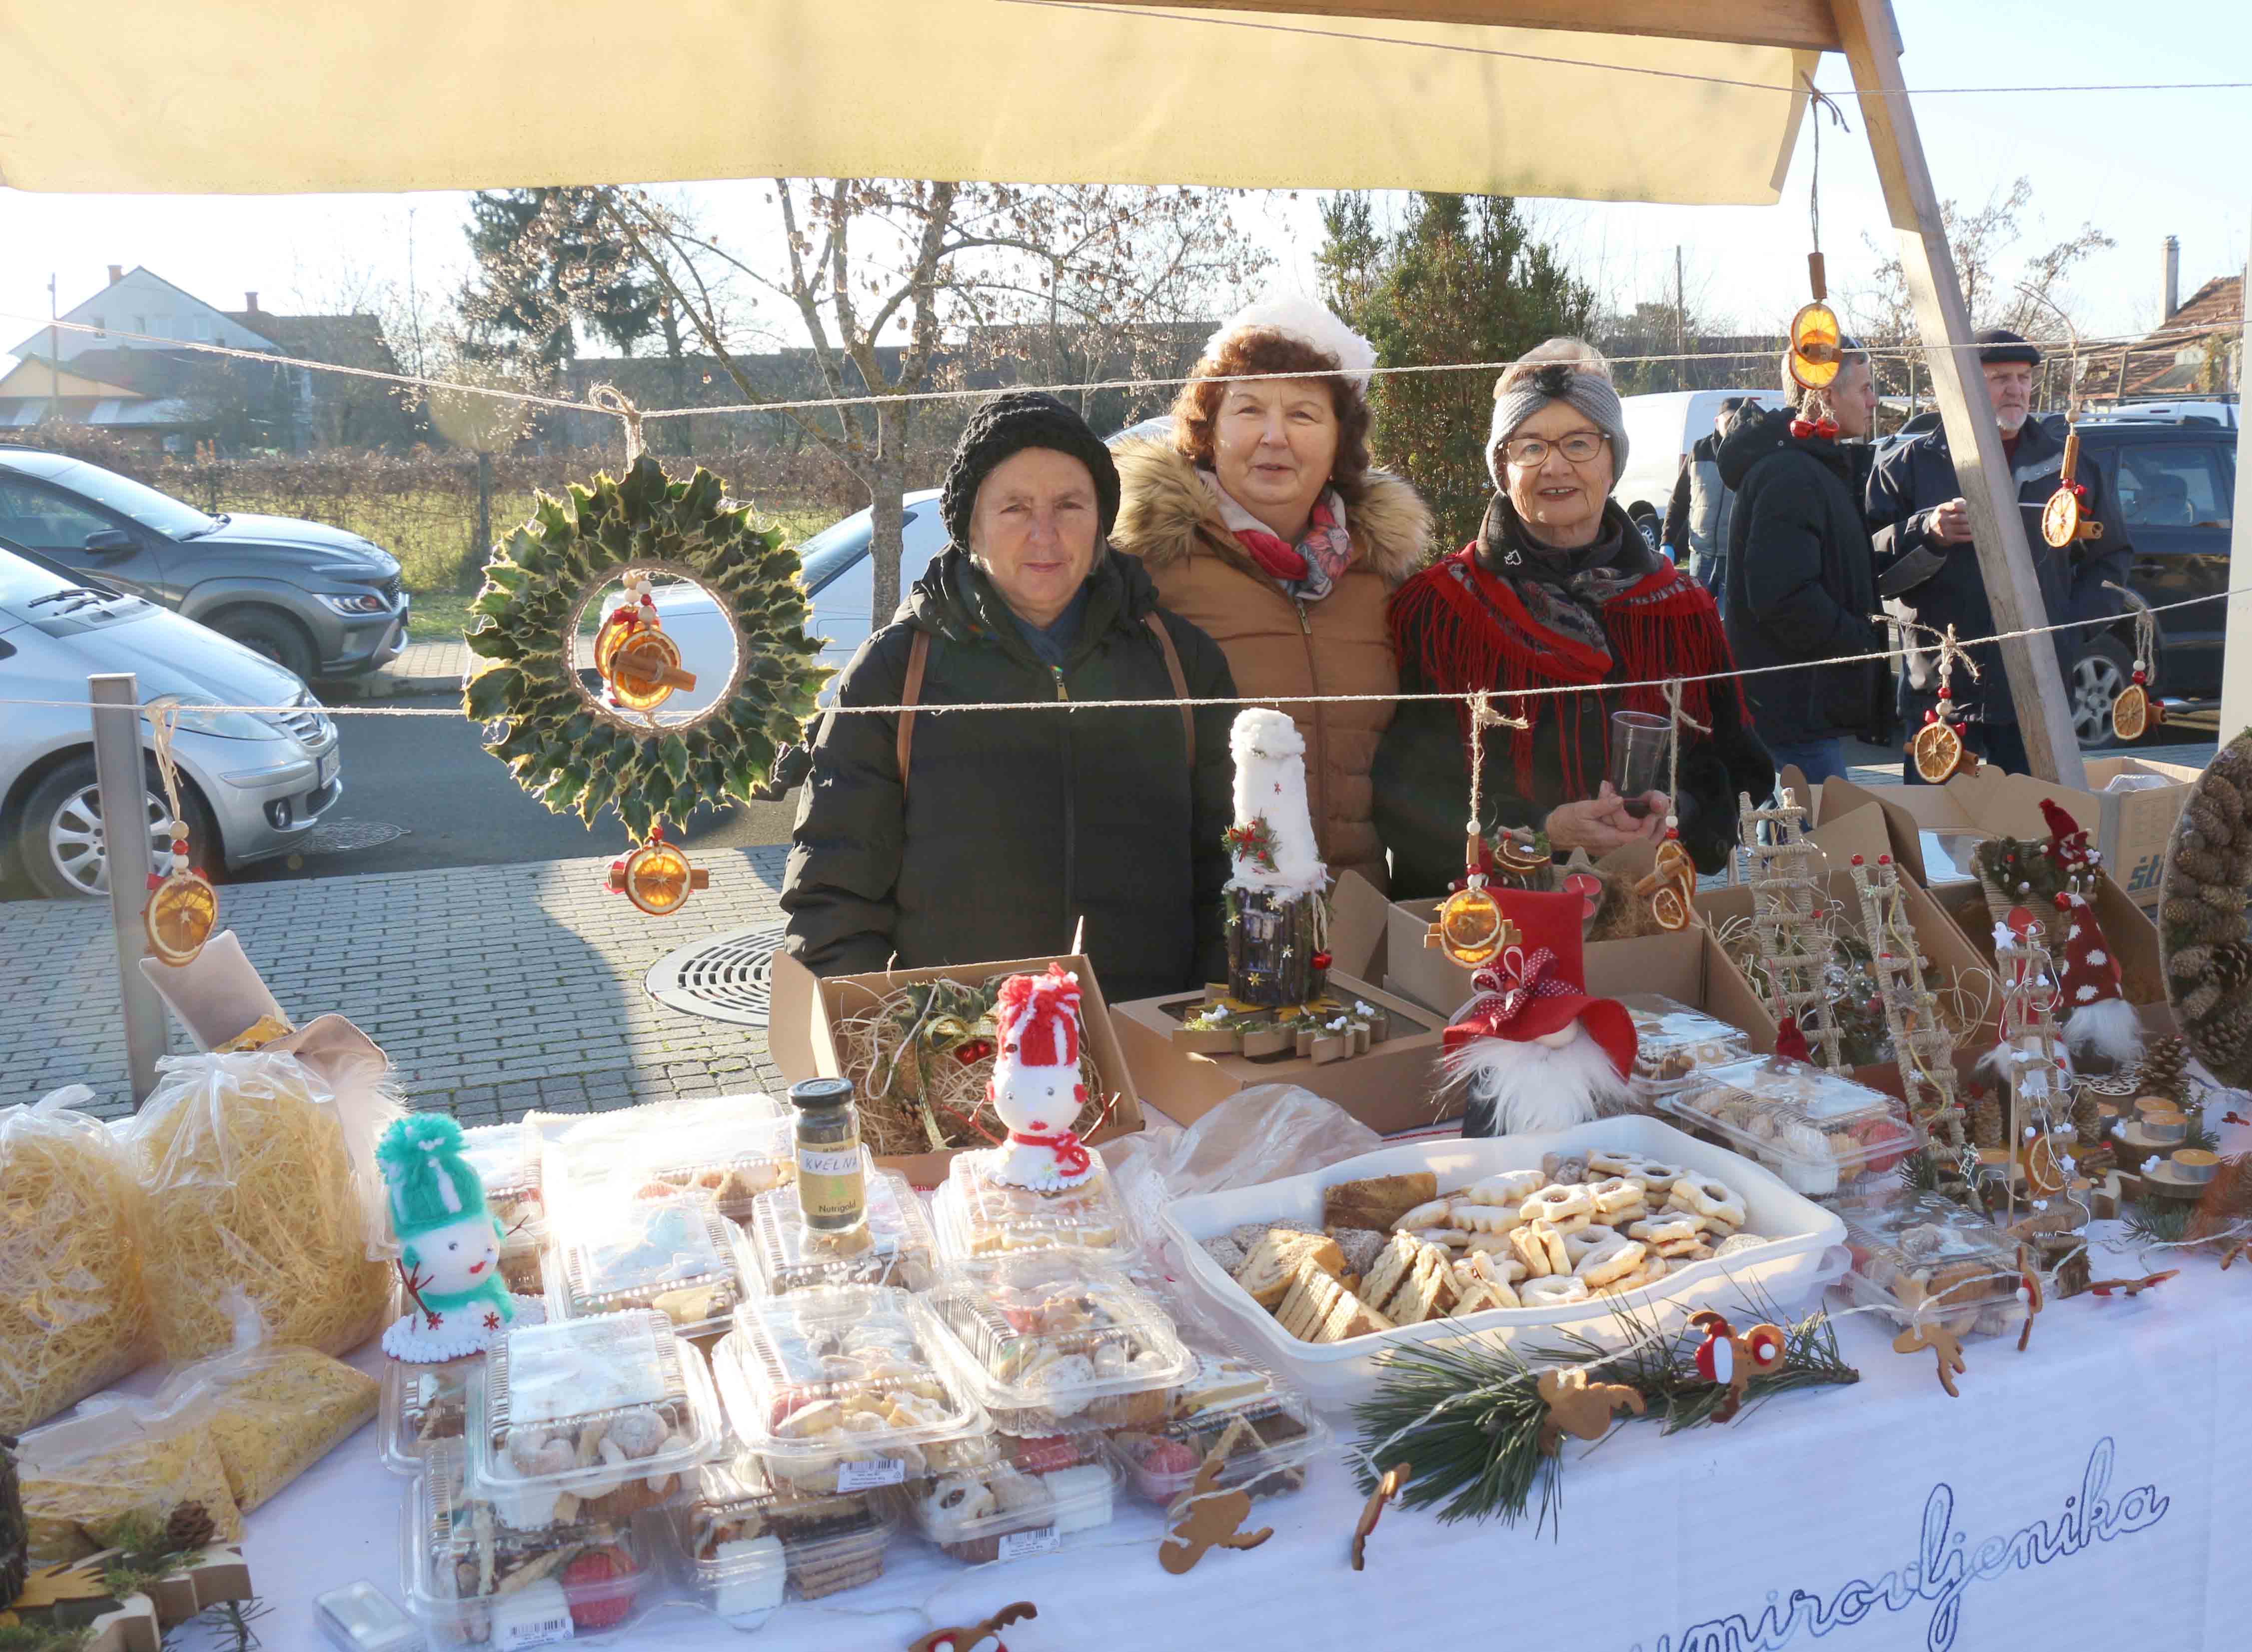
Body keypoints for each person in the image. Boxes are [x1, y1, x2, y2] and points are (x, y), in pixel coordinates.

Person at [781, 391, 1237, 1002]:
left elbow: (1233, 870)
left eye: (1070, 504)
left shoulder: (1182, 664)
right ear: (972, 526)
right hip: (960, 1059)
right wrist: (893, 1042)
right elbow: (832, 896)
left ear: (1102, 519)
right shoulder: (895, 675)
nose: (1044, 534)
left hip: (1149, 1047)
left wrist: (1203, 1021)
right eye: (1015, 508)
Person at [1374, 340, 1774, 896]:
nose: (1556, 466)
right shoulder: (1441, 609)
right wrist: (1543, 830)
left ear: (1614, 460)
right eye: (1530, 447)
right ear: (1502, 466)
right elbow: (1402, 790)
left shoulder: (1681, 609)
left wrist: (1673, 813)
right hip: (1485, 928)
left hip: (1643, 915)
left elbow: (1740, 772)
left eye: (1580, 443)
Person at [1111, 296, 1432, 894]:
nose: (1275, 437)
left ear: (1342, 441)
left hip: (1361, 928)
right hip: (1211, 925)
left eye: (1305, 415)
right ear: (1209, 432)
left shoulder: (1382, 577)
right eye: (1249, 409)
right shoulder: (1147, 569)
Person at [1865, 328, 2133, 779]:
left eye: (2024, 377)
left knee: (2035, 835)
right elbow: (1871, 569)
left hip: (2037, 689)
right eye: (1999, 377)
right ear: (1964, 386)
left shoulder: (2069, 466)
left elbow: (2111, 559)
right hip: (1941, 689)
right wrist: (1927, 533)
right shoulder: (1910, 465)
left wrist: (2066, 630)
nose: (2016, 389)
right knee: (1933, 838)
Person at [1718, 337, 1888, 791]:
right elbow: (1782, 596)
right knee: (1817, 852)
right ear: (1827, 396)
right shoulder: (1791, 474)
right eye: (1866, 389)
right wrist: (1860, 641)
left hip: (1802, 712)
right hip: (1795, 715)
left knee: (1794, 852)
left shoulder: (1813, 468)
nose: (1874, 401)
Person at [1660, 395, 1756, 609]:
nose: (1735, 425)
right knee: (1696, 621)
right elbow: (1679, 501)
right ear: (1717, 420)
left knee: (1725, 626)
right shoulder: (1699, 451)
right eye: (1730, 420)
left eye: (1740, 420)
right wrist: (1667, 541)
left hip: (1733, 559)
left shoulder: (1751, 456)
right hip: (1700, 558)